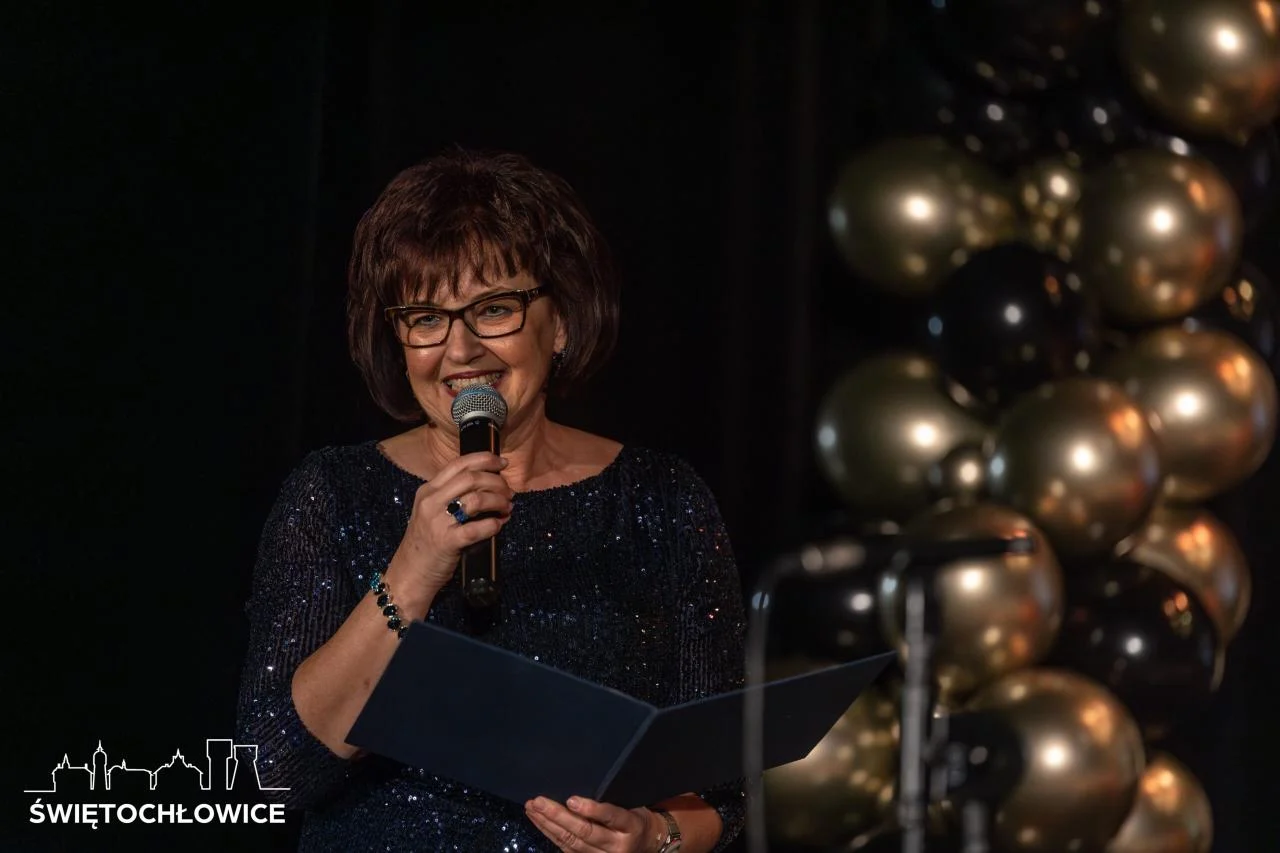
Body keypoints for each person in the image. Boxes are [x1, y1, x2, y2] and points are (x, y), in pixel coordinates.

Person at [236, 148, 747, 852]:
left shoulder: (661, 498)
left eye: (494, 309)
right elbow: (272, 770)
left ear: (560, 322)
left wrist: (653, 836)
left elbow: (718, 788)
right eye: (426, 318)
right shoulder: (332, 493)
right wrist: (414, 567)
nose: (461, 349)